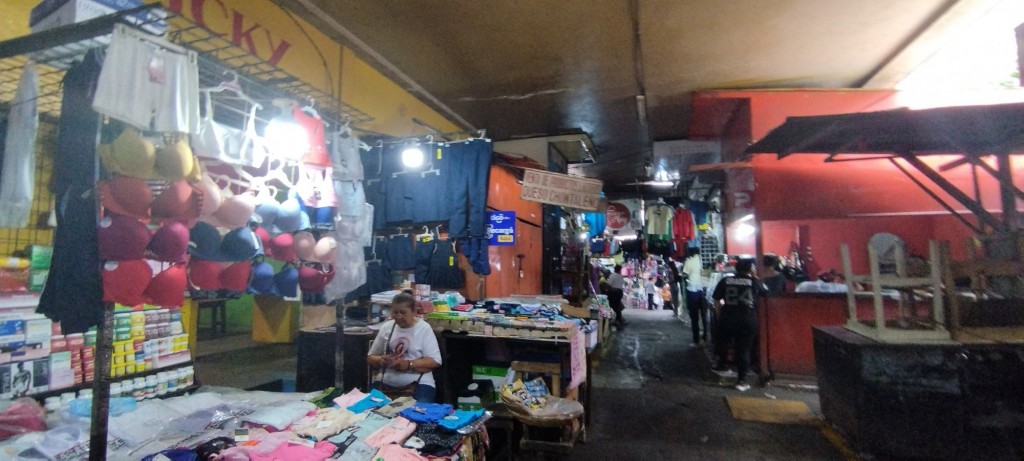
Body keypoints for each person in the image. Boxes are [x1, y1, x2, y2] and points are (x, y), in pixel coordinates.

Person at [367, 292, 442, 402]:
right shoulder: (387, 327)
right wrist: (382, 360)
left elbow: (435, 361)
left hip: (419, 384)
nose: (398, 316)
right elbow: (370, 357)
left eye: (403, 312)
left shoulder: (424, 329)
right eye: (395, 312)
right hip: (385, 384)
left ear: (414, 311)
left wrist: (408, 364)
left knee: (417, 415)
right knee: (368, 410)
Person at [711, 258, 767, 392]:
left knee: (723, 343)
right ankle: (741, 381)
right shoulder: (753, 282)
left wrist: (719, 316)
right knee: (743, 350)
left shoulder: (725, 280)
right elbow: (766, 292)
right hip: (747, 318)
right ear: (750, 268)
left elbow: (716, 300)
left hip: (728, 316)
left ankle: (722, 365)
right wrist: (755, 277)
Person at [682, 247, 707, 346]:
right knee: (704, 315)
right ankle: (705, 337)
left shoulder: (689, 261)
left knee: (694, 316)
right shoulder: (703, 260)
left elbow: (684, 274)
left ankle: (696, 340)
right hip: (704, 289)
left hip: (692, 290)